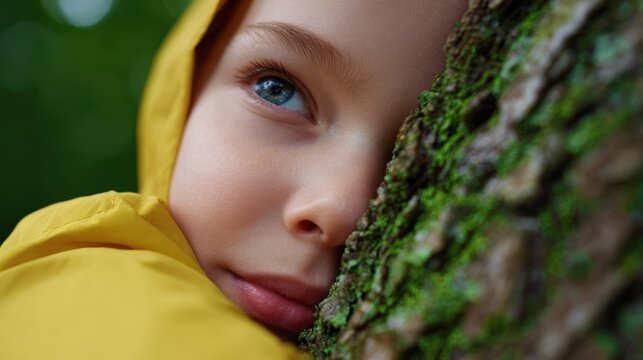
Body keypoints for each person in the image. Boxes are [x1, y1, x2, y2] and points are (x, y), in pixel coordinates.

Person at [0, 0, 468, 358]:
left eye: (419, 155)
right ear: (187, 90)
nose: (341, 209)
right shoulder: (84, 288)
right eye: (278, 90)